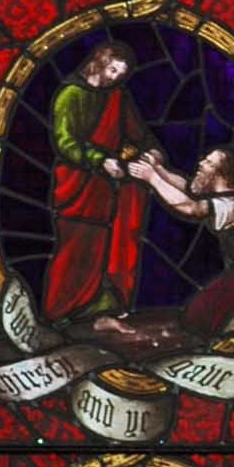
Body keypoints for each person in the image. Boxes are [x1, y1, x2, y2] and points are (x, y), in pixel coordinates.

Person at [41, 40, 155, 326]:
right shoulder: (70, 94)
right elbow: (65, 143)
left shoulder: (118, 96)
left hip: (108, 189)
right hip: (78, 186)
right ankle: (58, 311)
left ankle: (93, 307)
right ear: (99, 63)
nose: (115, 78)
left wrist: (150, 152)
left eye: (121, 74)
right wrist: (100, 159)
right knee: (74, 248)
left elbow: (138, 135)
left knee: (102, 246)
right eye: (113, 70)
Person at [133, 143, 234, 339]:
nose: (202, 163)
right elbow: (188, 188)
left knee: (201, 318)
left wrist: (152, 178)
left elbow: (191, 206)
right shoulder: (230, 189)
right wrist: (159, 169)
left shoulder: (232, 205)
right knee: (197, 317)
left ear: (221, 175)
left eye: (209, 163)